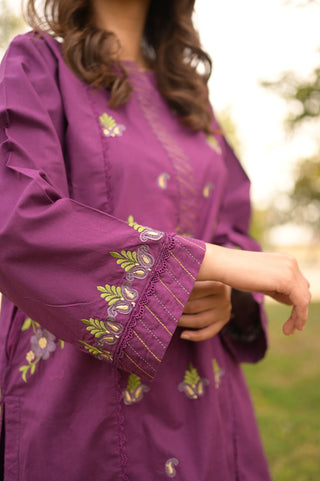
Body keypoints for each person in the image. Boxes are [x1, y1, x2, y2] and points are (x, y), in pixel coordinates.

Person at [0, 0, 311, 480]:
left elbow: (231, 222)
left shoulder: (190, 95)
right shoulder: (37, 65)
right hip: (85, 408)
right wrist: (202, 260)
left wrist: (230, 290)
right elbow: (16, 220)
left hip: (207, 397)